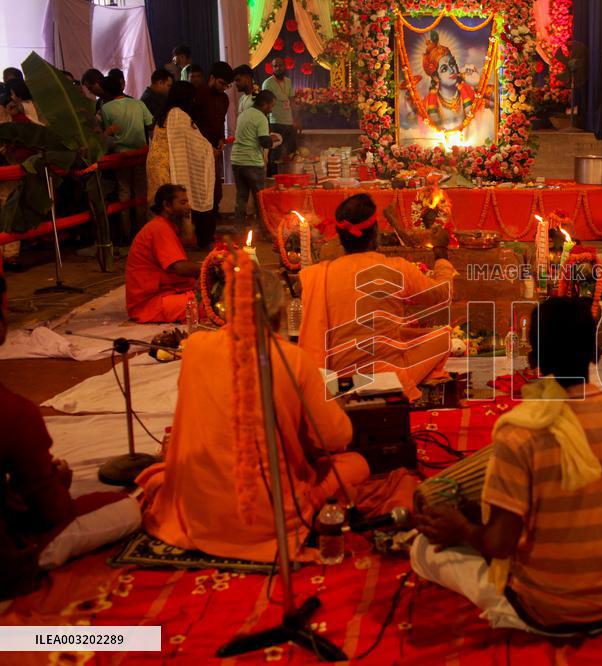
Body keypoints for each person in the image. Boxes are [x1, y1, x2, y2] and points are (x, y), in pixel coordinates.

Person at [411, 296, 602, 634]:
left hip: (542, 613)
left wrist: (461, 529)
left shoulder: (520, 432)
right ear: (595, 354)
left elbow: (498, 545)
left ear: (533, 358)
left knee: (424, 549)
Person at [139, 267, 369, 562]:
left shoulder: (195, 347)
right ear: (279, 309)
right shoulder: (292, 359)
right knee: (356, 464)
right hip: (267, 518)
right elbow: (336, 438)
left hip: (196, 512)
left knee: (165, 474)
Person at [0, 275, 141, 600]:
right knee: (127, 507)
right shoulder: (13, 411)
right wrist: (58, 480)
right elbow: (51, 512)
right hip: (7, 567)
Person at [298, 194, 456, 402]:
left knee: (403, 332)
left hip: (336, 376)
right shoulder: (396, 268)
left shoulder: (318, 275)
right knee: (443, 338)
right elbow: (442, 295)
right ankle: (405, 383)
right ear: (375, 233)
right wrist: (441, 255)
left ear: (339, 236)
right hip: (388, 375)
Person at [124, 184, 201, 323]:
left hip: (164, 294)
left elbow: (188, 240)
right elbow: (180, 268)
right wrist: (211, 267)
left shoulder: (165, 226)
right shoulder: (159, 228)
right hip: (150, 304)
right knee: (211, 305)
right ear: (167, 205)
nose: (188, 207)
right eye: (183, 203)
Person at [146, 81, 216, 221]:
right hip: (167, 166)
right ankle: (170, 237)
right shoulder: (178, 115)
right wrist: (209, 148)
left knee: (160, 204)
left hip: (156, 164)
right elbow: (193, 143)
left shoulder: (165, 112)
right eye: (192, 97)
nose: (194, 100)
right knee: (169, 205)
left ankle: (159, 236)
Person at [100, 75, 153, 247]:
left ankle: (126, 233)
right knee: (140, 193)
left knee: (124, 194)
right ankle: (142, 231)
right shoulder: (138, 104)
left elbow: (108, 132)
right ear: (122, 86)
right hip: (140, 155)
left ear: (106, 91)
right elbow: (150, 123)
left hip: (120, 156)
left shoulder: (106, 109)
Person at [190, 61, 233, 248]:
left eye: (227, 85)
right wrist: (207, 148)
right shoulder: (197, 95)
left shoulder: (224, 99)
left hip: (214, 152)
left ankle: (209, 234)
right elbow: (192, 126)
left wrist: (221, 139)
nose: (224, 88)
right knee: (202, 194)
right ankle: (201, 238)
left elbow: (220, 122)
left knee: (216, 193)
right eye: (222, 83)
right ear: (212, 78)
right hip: (198, 153)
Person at [231, 90, 275, 235]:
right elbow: (264, 141)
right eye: (271, 106)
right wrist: (272, 139)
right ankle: (263, 230)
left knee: (241, 198)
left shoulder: (244, 113)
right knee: (259, 200)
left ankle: (239, 230)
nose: (271, 109)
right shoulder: (261, 118)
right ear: (264, 104)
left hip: (237, 160)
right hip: (252, 163)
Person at [262, 57, 298, 174]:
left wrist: (296, 119)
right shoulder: (268, 83)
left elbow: (292, 101)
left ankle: (287, 178)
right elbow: (265, 105)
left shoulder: (288, 81)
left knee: (289, 152)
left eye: (280, 65)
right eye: (275, 66)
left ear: (285, 66)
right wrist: (265, 125)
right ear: (272, 68)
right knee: (275, 154)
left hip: (288, 123)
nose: (278, 68)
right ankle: (272, 179)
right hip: (275, 123)